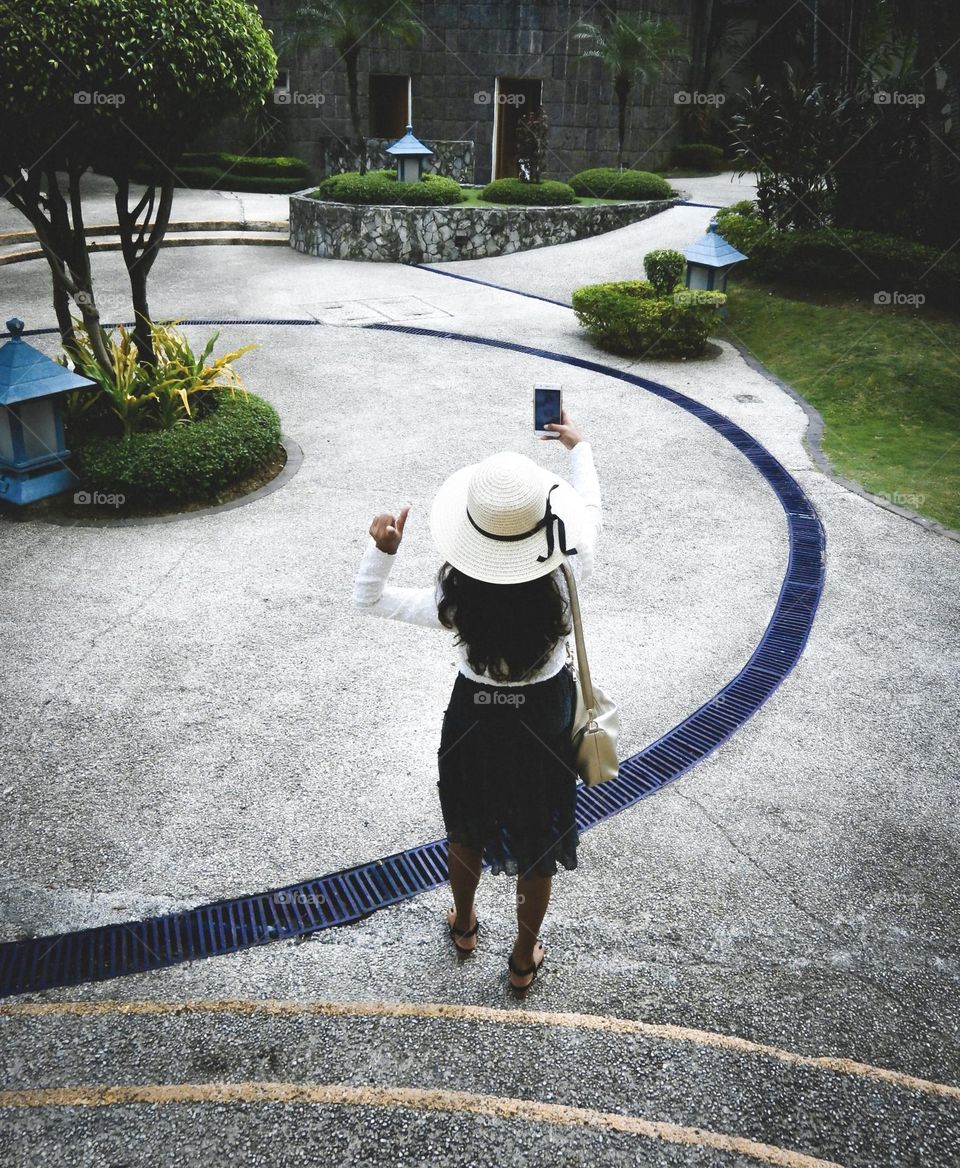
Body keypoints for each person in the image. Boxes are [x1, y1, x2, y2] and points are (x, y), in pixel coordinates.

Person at [353, 410, 602, 992]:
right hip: (544, 717)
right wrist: (579, 446)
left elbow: (371, 600)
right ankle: (521, 958)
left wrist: (384, 548)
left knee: (465, 826)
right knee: (537, 840)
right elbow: (589, 511)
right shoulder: (566, 575)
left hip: (474, 718)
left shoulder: (454, 595)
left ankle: (464, 926)